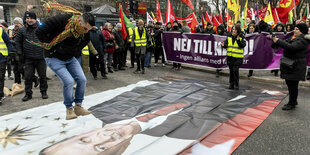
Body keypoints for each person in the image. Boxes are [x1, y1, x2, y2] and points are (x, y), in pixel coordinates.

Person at [35, 12, 94, 120]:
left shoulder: (85, 30)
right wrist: (52, 46)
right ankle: (69, 109)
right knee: (69, 81)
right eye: (85, 28)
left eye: (88, 30)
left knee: (82, 79)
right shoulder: (61, 19)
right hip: (54, 57)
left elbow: (86, 40)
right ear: (80, 21)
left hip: (70, 58)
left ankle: (78, 106)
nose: (86, 32)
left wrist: (76, 50)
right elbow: (39, 31)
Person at [271, 23, 309, 110]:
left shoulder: (303, 40)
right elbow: (285, 42)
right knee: (290, 83)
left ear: (302, 31)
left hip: (296, 65)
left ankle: (291, 103)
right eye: (295, 29)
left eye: (297, 29)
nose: (294, 30)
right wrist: (275, 40)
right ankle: (293, 100)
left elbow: (291, 47)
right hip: (290, 64)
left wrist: (278, 41)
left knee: (293, 85)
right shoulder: (293, 37)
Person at [15, 12, 48, 101]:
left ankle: (44, 92)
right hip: (28, 58)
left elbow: (47, 39)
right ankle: (28, 94)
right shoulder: (22, 30)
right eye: (27, 18)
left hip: (41, 57)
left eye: (31, 18)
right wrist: (19, 52)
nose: (29, 20)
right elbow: (17, 42)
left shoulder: (41, 28)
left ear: (35, 19)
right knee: (28, 77)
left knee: (43, 76)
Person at [221, 25, 246, 90]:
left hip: (238, 58)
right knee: (231, 71)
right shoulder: (229, 36)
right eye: (233, 29)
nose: (233, 30)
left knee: (235, 70)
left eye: (235, 29)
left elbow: (243, 45)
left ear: (238, 30)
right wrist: (223, 45)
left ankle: (236, 84)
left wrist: (238, 41)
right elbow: (226, 45)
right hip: (230, 57)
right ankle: (231, 84)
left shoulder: (241, 37)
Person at [0, 19, 13, 105]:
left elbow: (8, 42)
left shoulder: (1, 30)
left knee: (0, 77)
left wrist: (10, 54)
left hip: (1, 57)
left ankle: (0, 95)